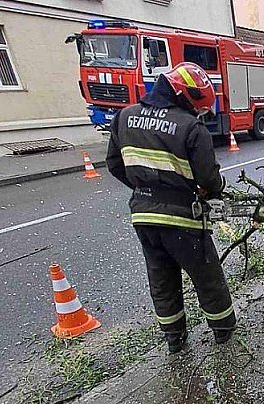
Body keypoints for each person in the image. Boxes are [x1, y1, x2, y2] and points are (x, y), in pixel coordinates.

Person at [106, 62, 235, 353]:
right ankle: (224, 331)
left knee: (161, 277)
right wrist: (212, 190)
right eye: (200, 109)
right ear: (186, 96)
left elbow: (114, 164)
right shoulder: (191, 126)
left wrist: (146, 191)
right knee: (207, 276)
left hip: (143, 215)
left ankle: (174, 339)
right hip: (184, 218)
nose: (200, 114)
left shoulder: (124, 117)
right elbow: (208, 179)